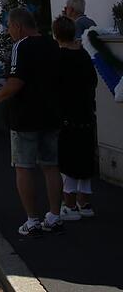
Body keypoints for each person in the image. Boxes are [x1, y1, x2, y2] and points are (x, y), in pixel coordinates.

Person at [0, 7, 64, 236]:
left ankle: (32, 220)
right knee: (51, 166)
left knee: (24, 167)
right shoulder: (52, 44)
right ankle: (54, 215)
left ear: (18, 26)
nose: (9, 31)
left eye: (9, 26)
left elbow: (16, 82)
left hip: (25, 117)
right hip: (50, 114)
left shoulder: (21, 45)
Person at [52, 16, 98, 221]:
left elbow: (53, 88)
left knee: (67, 162)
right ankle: (85, 203)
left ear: (56, 35)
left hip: (66, 116)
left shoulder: (59, 58)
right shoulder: (84, 56)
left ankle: (69, 206)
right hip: (86, 113)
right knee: (85, 159)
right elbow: (93, 82)